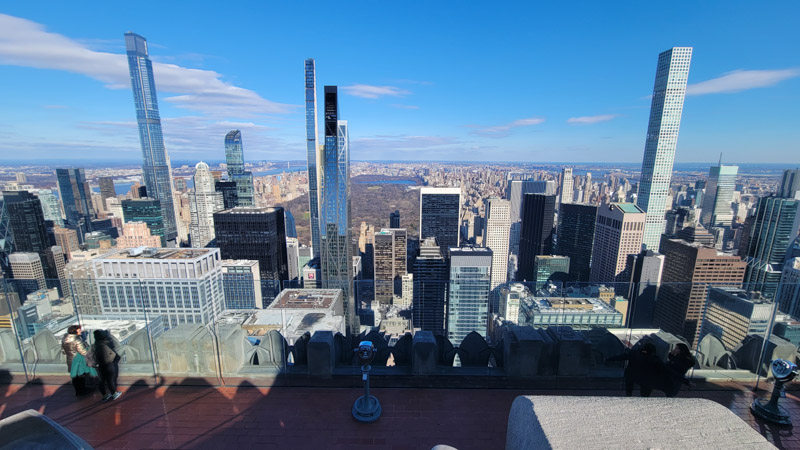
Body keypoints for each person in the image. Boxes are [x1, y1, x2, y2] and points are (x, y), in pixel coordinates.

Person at [61, 325, 97, 396]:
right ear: (75, 331)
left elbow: (63, 351)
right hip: (79, 361)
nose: (80, 331)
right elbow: (84, 352)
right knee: (81, 376)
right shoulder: (77, 340)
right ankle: (82, 390)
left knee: (75, 377)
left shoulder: (64, 339)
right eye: (79, 330)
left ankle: (78, 391)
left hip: (70, 360)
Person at [93, 329, 122, 401]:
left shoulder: (95, 345)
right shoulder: (104, 345)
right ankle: (114, 394)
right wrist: (114, 356)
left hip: (99, 366)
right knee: (110, 380)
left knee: (101, 381)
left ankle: (105, 395)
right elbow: (109, 357)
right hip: (108, 365)